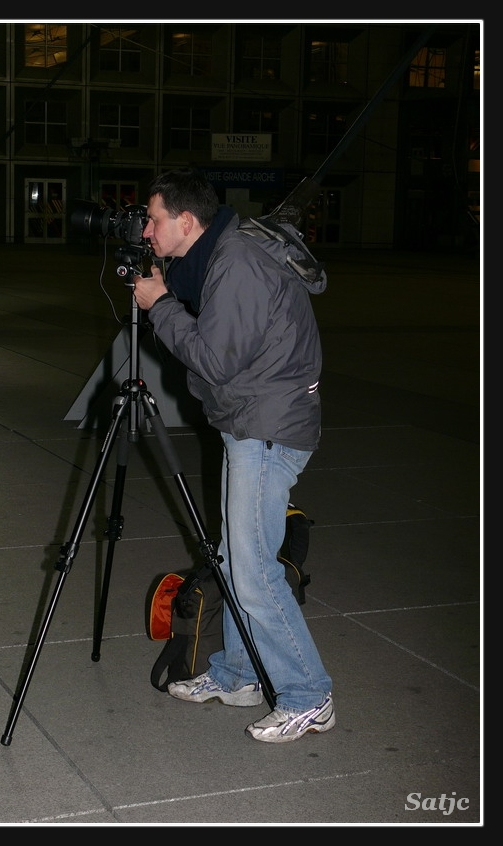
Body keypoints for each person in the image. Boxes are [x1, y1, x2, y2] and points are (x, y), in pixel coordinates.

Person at [132, 168, 334, 744]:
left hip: (266, 430)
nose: (147, 231)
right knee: (234, 560)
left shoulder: (238, 263)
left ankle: (307, 695)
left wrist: (161, 305)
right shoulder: (221, 256)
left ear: (186, 222)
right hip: (250, 423)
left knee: (252, 573)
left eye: (155, 219)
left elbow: (215, 360)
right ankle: (241, 676)